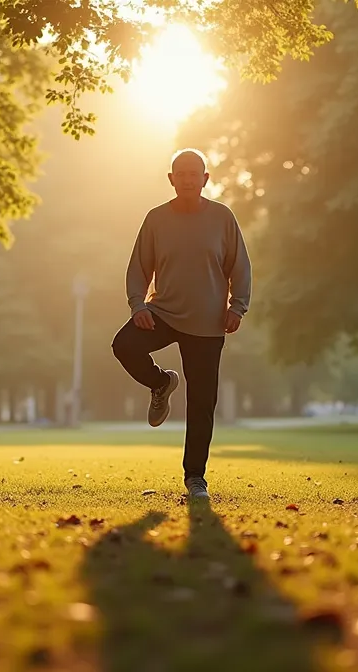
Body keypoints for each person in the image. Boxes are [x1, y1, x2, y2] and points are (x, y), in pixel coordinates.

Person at [111, 148, 252, 499]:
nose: (188, 179)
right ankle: (161, 384)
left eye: (195, 173)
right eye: (181, 173)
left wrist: (238, 307)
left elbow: (240, 267)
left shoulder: (222, 218)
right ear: (171, 180)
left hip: (208, 322)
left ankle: (195, 477)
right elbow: (139, 268)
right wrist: (137, 305)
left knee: (202, 402)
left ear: (205, 179)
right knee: (123, 345)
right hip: (164, 313)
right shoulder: (156, 219)